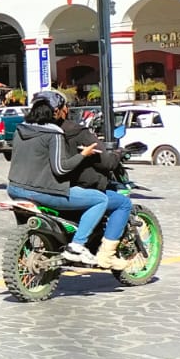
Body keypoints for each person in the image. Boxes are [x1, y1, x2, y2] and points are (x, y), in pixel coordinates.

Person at [6, 90, 117, 264]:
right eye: (65, 107)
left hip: (14, 189)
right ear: (56, 111)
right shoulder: (54, 133)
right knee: (100, 199)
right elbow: (60, 168)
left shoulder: (20, 129)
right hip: (42, 191)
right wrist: (84, 155)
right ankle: (77, 246)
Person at [57, 93, 132, 262]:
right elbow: (106, 163)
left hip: (45, 187)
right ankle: (107, 256)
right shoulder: (79, 133)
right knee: (123, 203)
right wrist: (117, 154)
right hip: (79, 189)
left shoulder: (38, 133)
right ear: (63, 109)